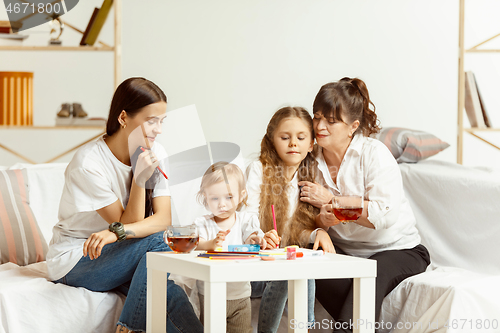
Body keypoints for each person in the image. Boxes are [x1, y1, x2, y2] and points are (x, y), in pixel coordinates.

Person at [46, 77, 204, 333]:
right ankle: (129, 328)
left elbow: (162, 219)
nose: (158, 129)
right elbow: (130, 225)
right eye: (151, 121)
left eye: (162, 121)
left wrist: (115, 233)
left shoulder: (156, 153)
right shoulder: (88, 163)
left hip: (120, 251)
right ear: (123, 118)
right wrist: (140, 180)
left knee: (170, 296)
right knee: (159, 241)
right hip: (77, 258)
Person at [298, 77, 431, 333]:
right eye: (317, 117)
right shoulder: (309, 158)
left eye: (331, 120)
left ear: (353, 126)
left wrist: (332, 202)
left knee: (371, 276)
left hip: (398, 249)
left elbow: (383, 216)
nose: (320, 126)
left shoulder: (374, 154)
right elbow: (305, 216)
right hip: (346, 251)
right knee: (304, 254)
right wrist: (320, 226)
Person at [245, 106, 335, 333]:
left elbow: (297, 231)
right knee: (294, 269)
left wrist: (318, 232)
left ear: (311, 144)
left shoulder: (313, 176)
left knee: (298, 265)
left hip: (285, 262)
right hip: (257, 261)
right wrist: (260, 236)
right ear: (272, 141)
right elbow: (247, 216)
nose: (293, 143)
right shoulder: (258, 170)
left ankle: (305, 327)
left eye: (301, 137)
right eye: (285, 137)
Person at [194, 161, 266, 333]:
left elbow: (250, 236)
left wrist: (256, 239)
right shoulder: (203, 223)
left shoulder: (245, 220)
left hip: (241, 294)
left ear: (241, 196)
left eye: (229, 197)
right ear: (205, 197)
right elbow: (196, 244)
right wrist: (211, 244)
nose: (222, 204)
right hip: (211, 294)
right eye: (214, 198)